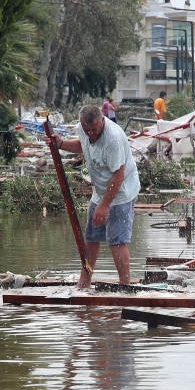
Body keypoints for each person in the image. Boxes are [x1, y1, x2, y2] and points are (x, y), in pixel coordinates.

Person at [45, 105, 141, 288]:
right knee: (91, 238)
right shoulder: (84, 130)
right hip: (101, 190)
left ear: (102, 120)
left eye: (94, 130)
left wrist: (104, 206)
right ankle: (84, 282)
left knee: (116, 240)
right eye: (87, 130)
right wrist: (62, 144)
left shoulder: (112, 139)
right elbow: (82, 143)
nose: (91, 134)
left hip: (122, 191)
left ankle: (125, 286)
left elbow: (118, 175)